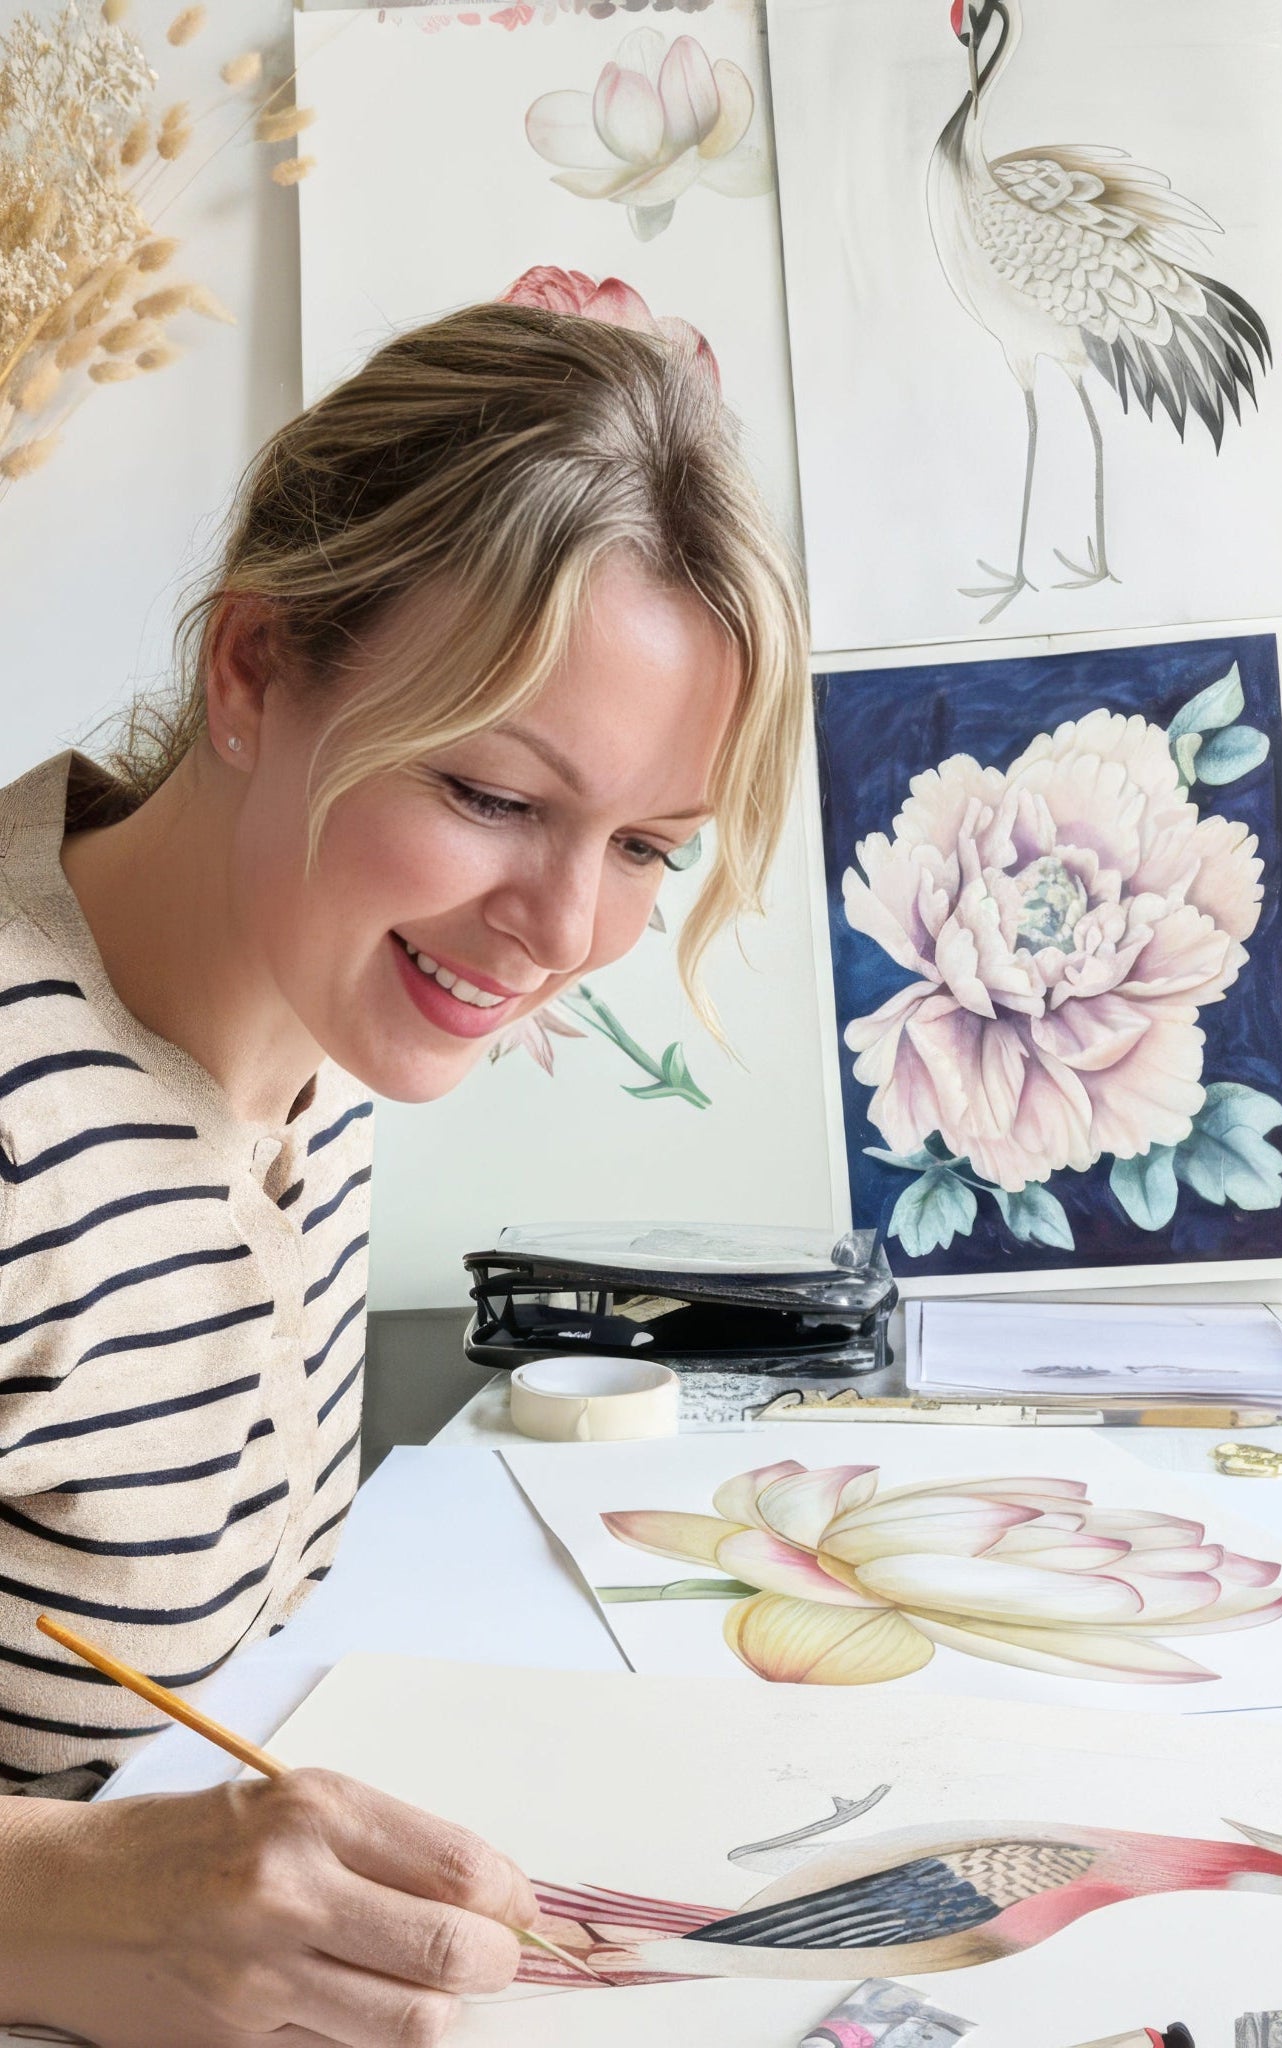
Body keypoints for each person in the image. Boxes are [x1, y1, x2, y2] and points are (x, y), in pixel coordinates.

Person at [0, 299, 807, 2045]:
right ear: (250, 671)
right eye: (495, 795)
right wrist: (73, 1901)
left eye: (649, 847)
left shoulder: (323, 1036)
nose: (568, 930)